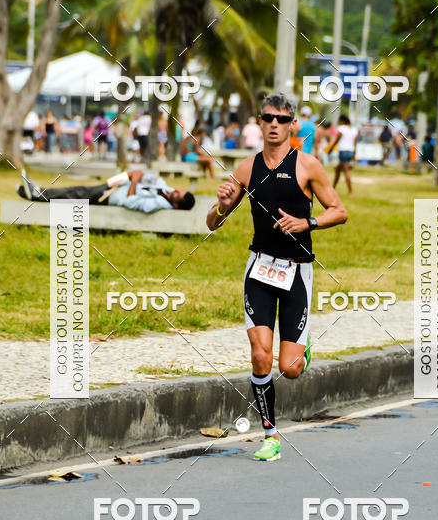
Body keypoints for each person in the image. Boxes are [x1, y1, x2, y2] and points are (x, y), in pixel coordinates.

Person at [206, 93, 347, 462]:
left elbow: (339, 210)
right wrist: (220, 207)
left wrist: (308, 222)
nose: (273, 124)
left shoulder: (308, 166)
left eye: (281, 119)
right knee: (260, 355)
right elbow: (213, 222)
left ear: (292, 125)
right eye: (267, 117)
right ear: (259, 121)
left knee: (290, 368)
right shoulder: (246, 169)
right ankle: (270, 434)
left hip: (297, 270)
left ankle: (302, 348)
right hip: (260, 269)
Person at [18, 169, 195, 211]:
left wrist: (133, 180)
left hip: (112, 196)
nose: (175, 190)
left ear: (176, 204)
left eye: (177, 194)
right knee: (78, 191)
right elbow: (160, 182)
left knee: (77, 194)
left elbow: (131, 202)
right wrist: (135, 175)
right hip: (117, 185)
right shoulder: (167, 193)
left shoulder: (158, 203)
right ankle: (38, 191)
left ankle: (37, 193)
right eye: (179, 190)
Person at [332, 114, 357, 194]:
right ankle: (332, 188)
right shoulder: (353, 129)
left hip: (343, 151)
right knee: (338, 170)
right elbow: (354, 142)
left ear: (342, 121)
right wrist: (354, 155)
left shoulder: (341, 128)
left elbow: (337, 140)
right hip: (350, 151)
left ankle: (350, 191)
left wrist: (331, 148)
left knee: (346, 171)